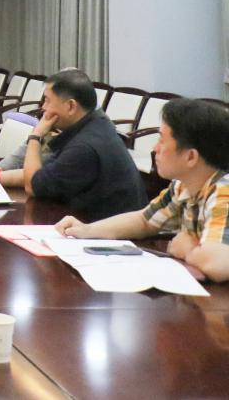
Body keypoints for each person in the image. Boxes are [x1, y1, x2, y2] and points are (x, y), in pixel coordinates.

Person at [56, 98, 229, 283]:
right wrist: (87, 230)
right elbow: (145, 220)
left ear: (191, 157)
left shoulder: (223, 192)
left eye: (162, 140)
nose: (155, 149)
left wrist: (187, 249)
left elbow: (219, 264)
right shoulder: (183, 186)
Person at [15, 70, 147, 220]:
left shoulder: (84, 147)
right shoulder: (96, 125)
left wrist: (35, 136)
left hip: (110, 232)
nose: (43, 107)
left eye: (47, 100)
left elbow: (32, 186)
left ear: (71, 106)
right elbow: (43, 174)